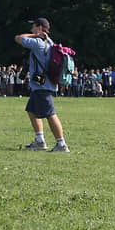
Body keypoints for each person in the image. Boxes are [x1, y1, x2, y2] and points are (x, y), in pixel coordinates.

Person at [14, 18, 69, 153]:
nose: (31, 29)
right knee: (31, 110)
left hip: (42, 86)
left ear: (39, 28)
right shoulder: (50, 42)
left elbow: (17, 38)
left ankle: (61, 144)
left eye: (33, 27)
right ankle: (40, 141)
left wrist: (34, 35)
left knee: (51, 114)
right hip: (43, 84)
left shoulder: (38, 42)